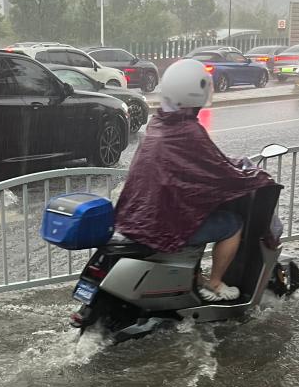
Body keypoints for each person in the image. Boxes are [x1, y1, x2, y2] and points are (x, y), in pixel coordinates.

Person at [115, 59, 278, 302]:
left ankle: (192, 276)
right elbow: (216, 170)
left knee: (198, 213)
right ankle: (214, 282)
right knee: (232, 223)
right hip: (162, 223)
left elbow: (201, 163)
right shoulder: (187, 130)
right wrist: (256, 178)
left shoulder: (159, 123)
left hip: (142, 217)